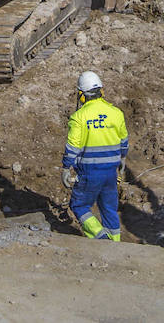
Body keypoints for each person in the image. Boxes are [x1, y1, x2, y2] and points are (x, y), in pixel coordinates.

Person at [61, 70, 129, 241]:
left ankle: (101, 239)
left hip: (89, 173)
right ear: (102, 92)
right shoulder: (116, 113)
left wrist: (66, 167)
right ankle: (115, 243)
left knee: (79, 205)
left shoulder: (79, 117)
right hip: (111, 172)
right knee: (109, 208)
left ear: (81, 95)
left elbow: (73, 147)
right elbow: (124, 142)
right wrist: (122, 161)